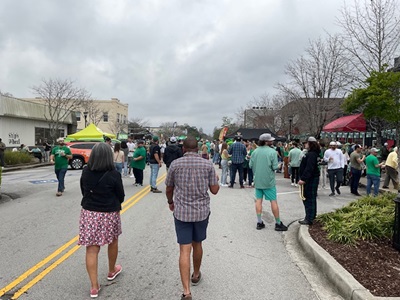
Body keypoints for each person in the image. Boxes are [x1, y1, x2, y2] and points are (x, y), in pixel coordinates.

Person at [165, 137, 219, 300]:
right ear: (198, 149)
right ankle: (195, 274)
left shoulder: (175, 164)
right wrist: (215, 179)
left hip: (182, 212)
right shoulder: (207, 164)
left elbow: (169, 188)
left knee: (184, 249)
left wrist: (170, 202)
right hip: (201, 212)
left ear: (183, 149)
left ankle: (187, 291)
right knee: (198, 244)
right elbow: (215, 191)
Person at [78, 143, 125, 298]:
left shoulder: (85, 172)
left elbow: (83, 191)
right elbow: (121, 195)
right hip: (109, 213)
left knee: (91, 249)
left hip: (89, 212)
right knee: (113, 241)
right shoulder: (114, 174)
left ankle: (94, 286)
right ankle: (111, 270)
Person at [249, 133, 288, 231]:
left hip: (258, 179)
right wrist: (279, 165)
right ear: (266, 141)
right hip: (268, 180)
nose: (272, 141)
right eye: (270, 140)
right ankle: (278, 223)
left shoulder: (254, 151)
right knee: (273, 201)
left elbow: (250, 165)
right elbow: (275, 167)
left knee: (258, 200)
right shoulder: (272, 152)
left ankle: (259, 222)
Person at [298, 137, 321, 225]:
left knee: (308, 198)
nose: (305, 144)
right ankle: (311, 216)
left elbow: (309, 168)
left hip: (310, 179)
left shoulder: (311, 154)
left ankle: (309, 218)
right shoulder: (313, 154)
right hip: (312, 178)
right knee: (311, 198)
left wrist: (303, 179)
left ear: (311, 144)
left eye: (306, 143)